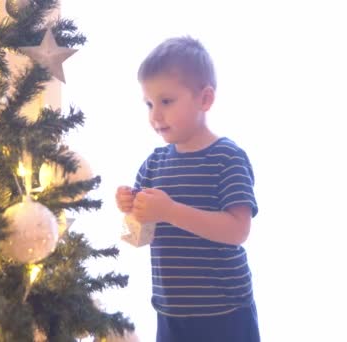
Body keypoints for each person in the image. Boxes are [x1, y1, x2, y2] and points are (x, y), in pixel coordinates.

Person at [115, 36, 260, 342]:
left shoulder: (227, 158)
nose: (155, 115)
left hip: (224, 314)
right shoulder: (154, 163)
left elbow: (238, 230)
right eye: (149, 104)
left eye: (166, 101)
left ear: (205, 99)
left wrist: (170, 210)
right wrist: (130, 206)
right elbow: (142, 230)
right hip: (171, 312)